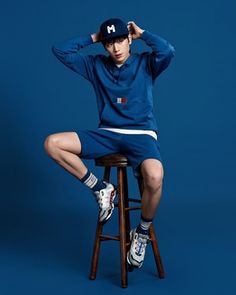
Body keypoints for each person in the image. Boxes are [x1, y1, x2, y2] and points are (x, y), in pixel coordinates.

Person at [44, 17, 175, 269]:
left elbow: (167, 50)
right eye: (109, 43)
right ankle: (101, 188)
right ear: (103, 46)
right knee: (52, 144)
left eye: (119, 41)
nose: (115, 48)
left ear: (129, 40)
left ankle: (142, 232)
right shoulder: (96, 65)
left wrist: (143, 33)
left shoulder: (146, 63)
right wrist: (95, 37)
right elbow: (60, 49)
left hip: (142, 135)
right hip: (108, 134)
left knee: (155, 178)